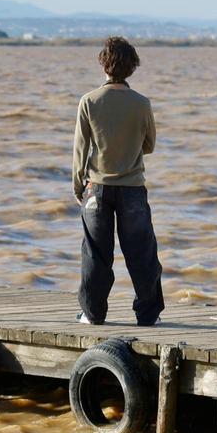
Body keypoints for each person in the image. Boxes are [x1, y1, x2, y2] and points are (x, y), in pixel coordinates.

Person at [72, 36, 164, 326]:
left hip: (96, 188)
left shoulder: (89, 101)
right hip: (133, 189)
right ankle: (148, 315)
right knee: (142, 254)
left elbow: (80, 149)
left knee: (96, 254)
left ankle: (92, 313)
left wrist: (78, 186)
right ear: (132, 68)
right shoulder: (141, 103)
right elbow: (149, 145)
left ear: (103, 65)